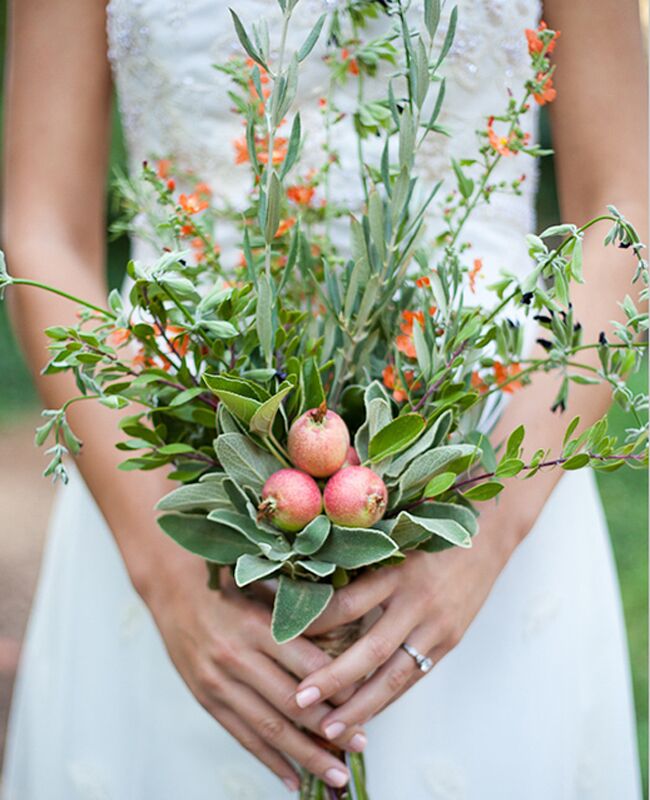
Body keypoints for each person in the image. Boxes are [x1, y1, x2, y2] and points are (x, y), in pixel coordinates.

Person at [1, 1, 646, 797]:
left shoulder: (487, 523)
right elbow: (43, 229)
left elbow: (626, 207)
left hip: (485, 462)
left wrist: (486, 533)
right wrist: (165, 571)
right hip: (169, 471)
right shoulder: (163, 549)